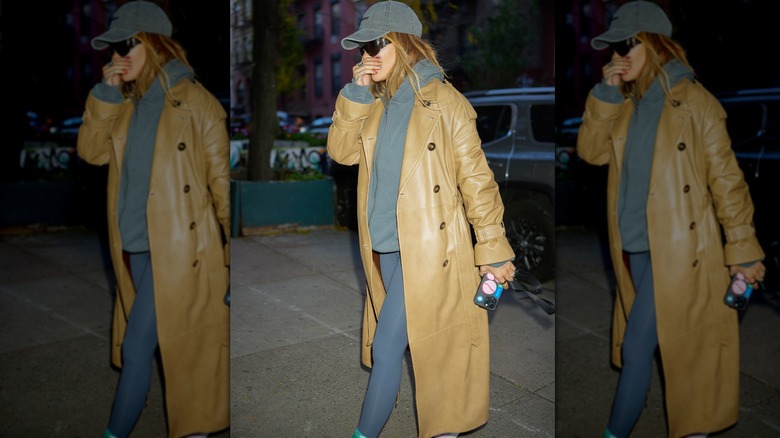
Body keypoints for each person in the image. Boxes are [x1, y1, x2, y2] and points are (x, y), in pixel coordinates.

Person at [326, 1, 517, 437]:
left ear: (403, 43)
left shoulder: (446, 102)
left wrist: (492, 248)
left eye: (375, 44)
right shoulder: (372, 102)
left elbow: (477, 181)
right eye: (361, 48)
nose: (365, 56)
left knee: (389, 347)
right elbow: (341, 153)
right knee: (429, 346)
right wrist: (354, 94)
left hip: (430, 252)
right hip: (384, 248)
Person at [576, 2, 766, 437]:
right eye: (613, 48)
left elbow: (728, 182)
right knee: (675, 344)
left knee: (639, 346)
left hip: (681, 253)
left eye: (626, 45)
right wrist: (604, 92)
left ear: (654, 43)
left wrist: (742, 249)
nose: (616, 57)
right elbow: (592, 153)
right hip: (633, 248)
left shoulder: (696, 102)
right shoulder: (624, 103)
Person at [76, 2, 230, 437]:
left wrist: (231, 261)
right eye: (112, 48)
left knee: (140, 346)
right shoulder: (123, 104)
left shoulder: (197, 103)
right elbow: (91, 153)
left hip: (181, 253)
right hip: (133, 248)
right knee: (177, 346)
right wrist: (104, 93)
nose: (116, 57)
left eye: (126, 45)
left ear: (153, 43)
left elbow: (222, 186)